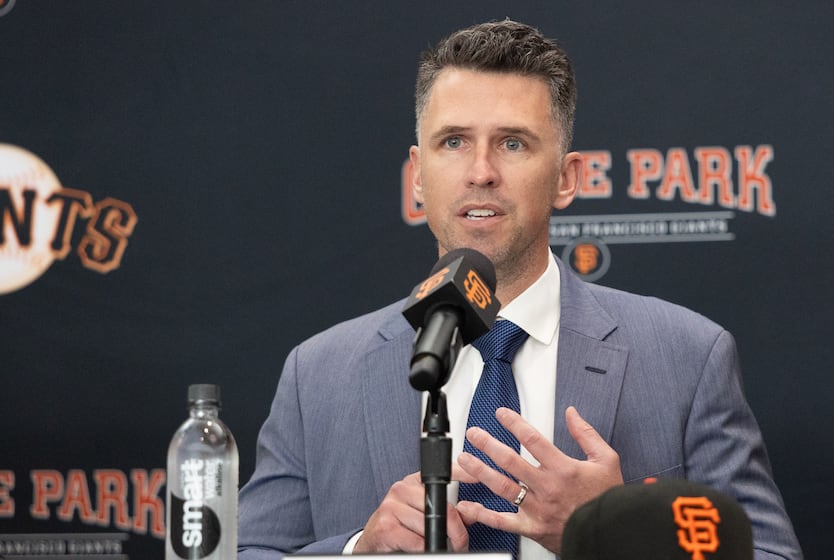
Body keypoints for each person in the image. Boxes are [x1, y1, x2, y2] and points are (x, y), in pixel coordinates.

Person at [237, 19, 803, 560]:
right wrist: (362, 548)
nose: (480, 171)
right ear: (417, 176)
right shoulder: (318, 373)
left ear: (566, 178)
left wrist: (611, 535)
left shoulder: (687, 357)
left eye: (512, 144)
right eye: (454, 142)